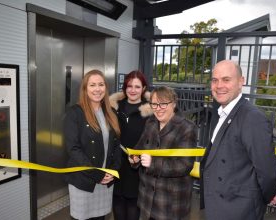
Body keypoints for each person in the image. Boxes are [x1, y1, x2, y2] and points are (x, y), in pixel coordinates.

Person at [200, 60, 276, 220]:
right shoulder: (223, 113)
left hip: (238, 210)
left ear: (241, 82)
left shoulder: (252, 118)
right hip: (219, 206)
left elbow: (268, 173)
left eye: (226, 79)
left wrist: (264, 198)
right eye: (215, 80)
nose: (219, 85)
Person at [131, 86, 198, 220]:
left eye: (163, 104)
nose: (158, 108)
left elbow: (185, 165)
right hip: (146, 200)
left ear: (174, 103)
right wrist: (134, 157)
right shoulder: (150, 123)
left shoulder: (187, 128)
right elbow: (139, 147)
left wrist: (152, 163)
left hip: (170, 204)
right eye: (154, 104)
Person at [64, 69, 121, 220]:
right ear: (85, 89)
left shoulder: (111, 113)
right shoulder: (74, 113)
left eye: (101, 84)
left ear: (106, 88)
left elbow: (116, 146)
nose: (97, 89)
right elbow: (73, 149)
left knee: (100, 218)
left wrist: (112, 172)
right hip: (84, 182)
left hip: (106, 181)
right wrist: (98, 174)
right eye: (92, 85)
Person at [110, 70, 153, 220]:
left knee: (134, 212)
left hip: (138, 170)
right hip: (116, 167)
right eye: (129, 86)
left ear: (144, 88)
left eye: (137, 86)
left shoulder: (151, 112)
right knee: (118, 211)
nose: (133, 90)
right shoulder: (113, 108)